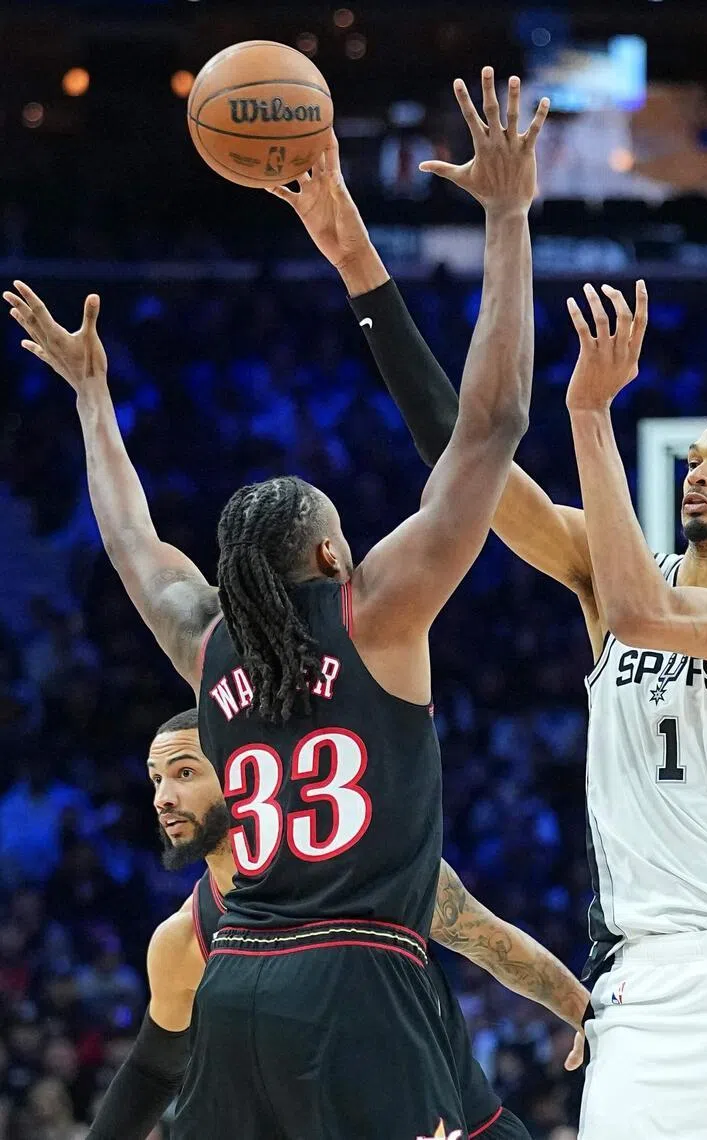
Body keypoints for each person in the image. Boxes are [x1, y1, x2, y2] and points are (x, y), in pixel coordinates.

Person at [277, 170, 707, 1135]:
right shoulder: (608, 575)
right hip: (648, 975)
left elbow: (649, 617)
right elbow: (464, 452)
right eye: (693, 458)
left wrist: (591, 417)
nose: (699, 473)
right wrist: (360, 265)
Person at [7, 65, 549, 1139]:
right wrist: (506, 219)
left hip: (240, 980)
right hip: (358, 983)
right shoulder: (380, 613)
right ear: (333, 550)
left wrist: (92, 397)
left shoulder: (209, 644)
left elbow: (132, 543)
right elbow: (486, 426)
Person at [88, 708, 588, 1140]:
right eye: (156, 779)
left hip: (464, 1123)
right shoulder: (186, 937)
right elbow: (153, 1070)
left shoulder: (368, 863)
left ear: (242, 769)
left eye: (185, 773)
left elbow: (490, 941)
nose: (164, 798)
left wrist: (587, 1016)